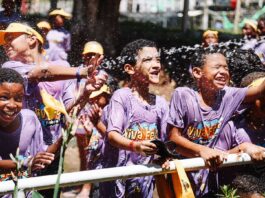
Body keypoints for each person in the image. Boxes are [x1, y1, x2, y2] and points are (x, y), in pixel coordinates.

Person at [167, 46, 265, 197]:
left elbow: (259, 91)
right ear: (197, 72)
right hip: (182, 173)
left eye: (226, 67)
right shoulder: (184, 95)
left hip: (209, 176)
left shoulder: (228, 95)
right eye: (217, 67)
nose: (223, 71)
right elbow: (173, 138)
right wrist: (202, 150)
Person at [99, 39, 169, 197]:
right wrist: (136, 146)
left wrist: (164, 157)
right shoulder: (122, 97)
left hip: (143, 182)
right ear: (129, 69)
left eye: (158, 59)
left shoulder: (161, 104)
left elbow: (166, 142)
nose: (157, 64)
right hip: (117, 181)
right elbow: (112, 135)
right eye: (148, 60)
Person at [0, 68, 64, 198]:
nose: (12, 105)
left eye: (18, 98)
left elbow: (39, 158)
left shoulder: (29, 119)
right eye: (4, 97)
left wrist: (64, 136)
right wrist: (27, 162)